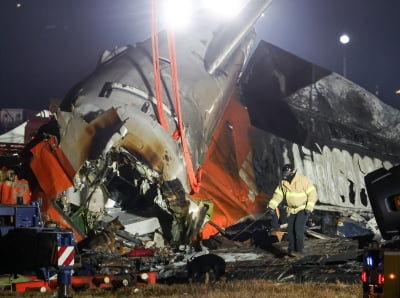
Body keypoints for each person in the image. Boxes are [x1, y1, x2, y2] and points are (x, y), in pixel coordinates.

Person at [267, 164, 317, 257]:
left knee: (298, 229)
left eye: (287, 173)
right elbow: (278, 195)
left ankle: (299, 251)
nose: (285, 175)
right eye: (284, 173)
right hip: (291, 210)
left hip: (302, 208)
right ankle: (291, 250)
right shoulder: (283, 182)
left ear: (292, 172)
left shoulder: (303, 180)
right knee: (290, 231)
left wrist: (309, 208)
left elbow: (312, 194)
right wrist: (271, 206)